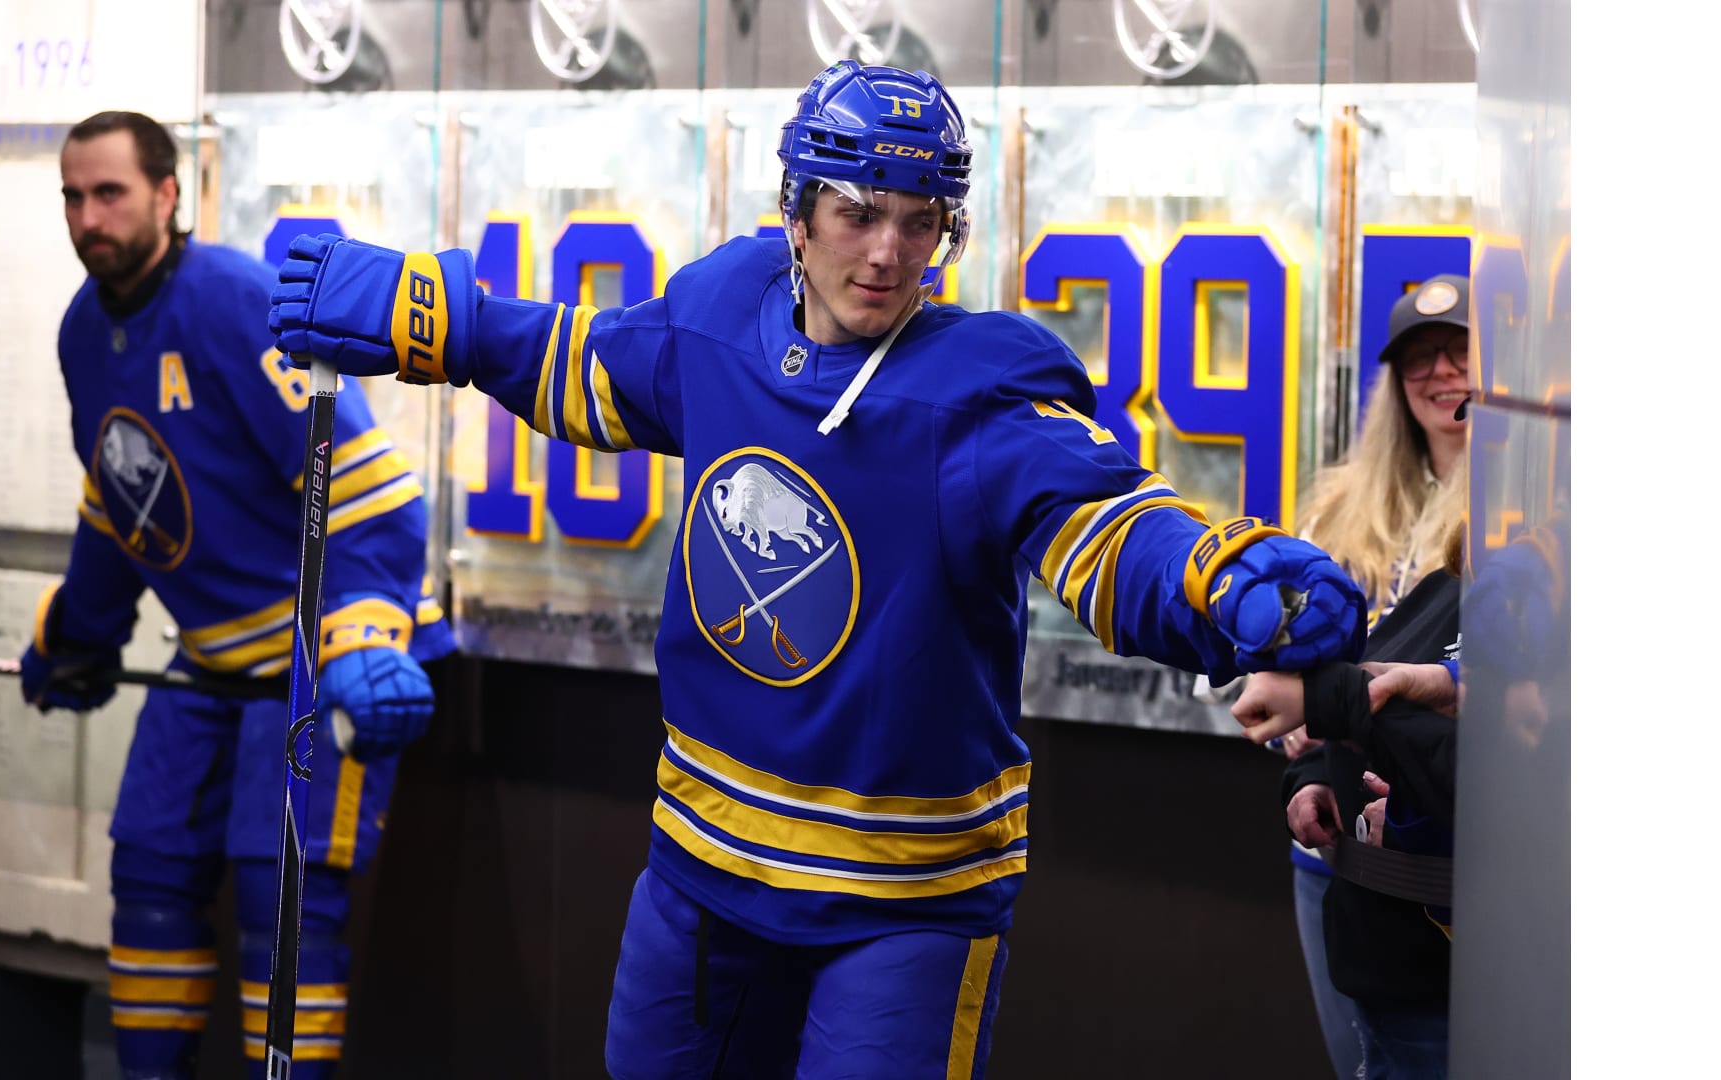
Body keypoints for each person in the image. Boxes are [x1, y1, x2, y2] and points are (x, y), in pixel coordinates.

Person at [267, 62, 1367, 1078]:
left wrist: (1214, 580)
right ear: (795, 212)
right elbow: (587, 370)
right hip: (703, 865)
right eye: (858, 212)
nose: (887, 252)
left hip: (904, 901)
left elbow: (1102, 524)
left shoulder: (981, 391)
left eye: (920, 220)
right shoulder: (723, 311)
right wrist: (441, 319)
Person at [19, 110, 453, 1080]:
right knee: (149, 870)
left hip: (319, 656)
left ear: (169, 195)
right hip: (210, 658)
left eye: (110, 193)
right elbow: (120, 502)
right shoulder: (83, 334)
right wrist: (76, 633)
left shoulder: (234, 303)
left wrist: (366, 639)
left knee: (280, 898)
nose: (89, 217)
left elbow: (370, 492)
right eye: (73, 197)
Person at [1233, 273, 1474, 1079]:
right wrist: (1298, 737)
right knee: (1365, 1060)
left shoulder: (1523, 511)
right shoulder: (1339, 506)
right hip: (1336, 848)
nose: (1442, 373)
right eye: (1420, 357)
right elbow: (1277, 660)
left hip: (1450, 864)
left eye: (1460, 351)